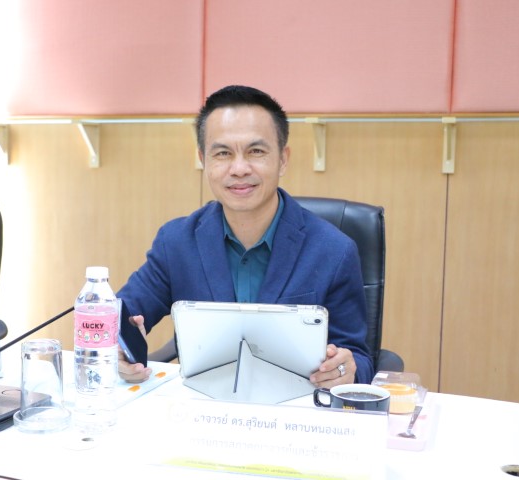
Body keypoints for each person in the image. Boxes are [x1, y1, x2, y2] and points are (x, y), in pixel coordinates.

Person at [117, 85, 373, 387]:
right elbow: (119, 313)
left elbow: (359, 357)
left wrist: (347, 369)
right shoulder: (176, 243)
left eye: (256, 152)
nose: (239, 169)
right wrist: (117, 348)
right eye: (223, 153)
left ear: (283, 159)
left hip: (296, 406)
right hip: (203, 405)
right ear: (203, 159)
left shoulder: (333, 250)